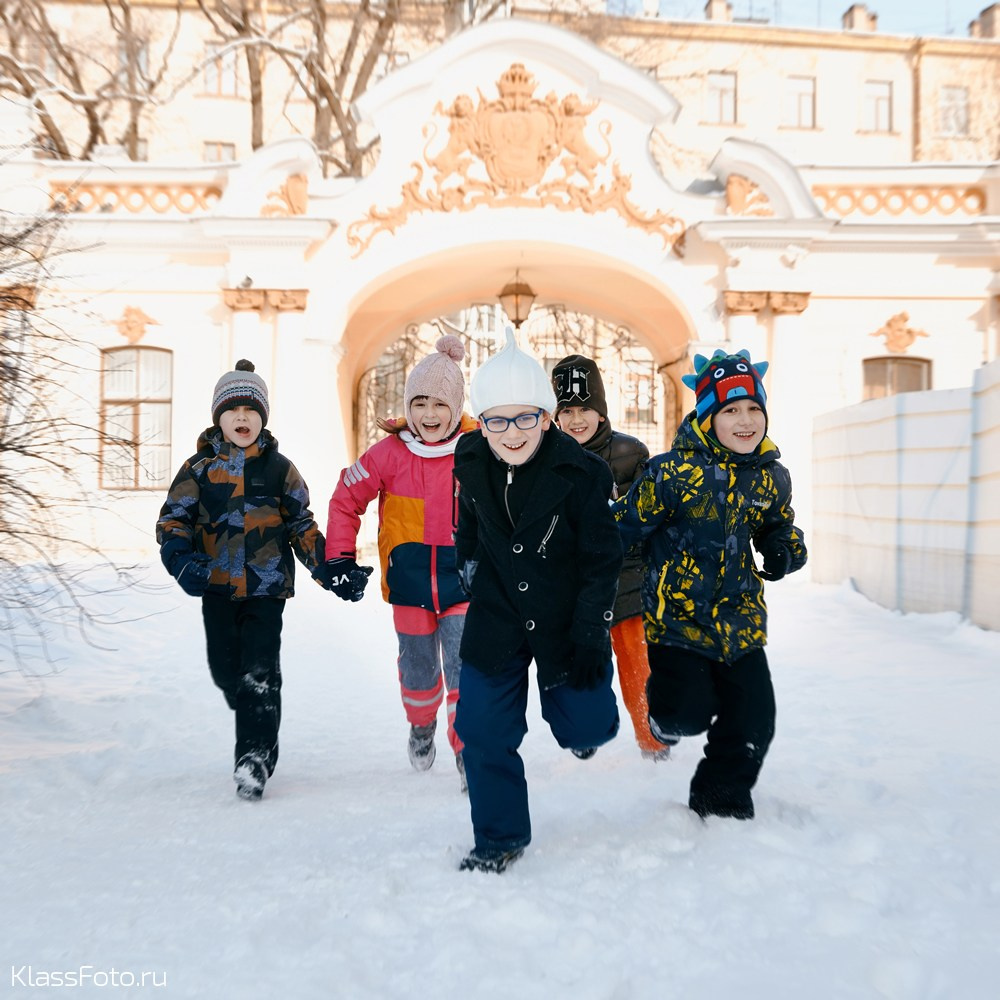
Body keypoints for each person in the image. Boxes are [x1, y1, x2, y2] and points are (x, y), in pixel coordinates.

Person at [453, 328, 622, 874]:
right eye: (496, 420)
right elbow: (471, 523)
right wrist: (470, 564)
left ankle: (581, 730)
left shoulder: (584, 473)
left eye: (525, 417)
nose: (511, 431)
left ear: (546, 418)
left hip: (564, 620)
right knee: (480, 730)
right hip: (497, 616)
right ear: (481, 422)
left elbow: (602, 559)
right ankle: (500, 839)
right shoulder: (471, 457)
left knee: (589, 726)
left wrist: (593, 632)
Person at [612, 349, 807, 821]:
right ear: (707, 418)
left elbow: (779, 526)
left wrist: (784, 549)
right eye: (730, 410)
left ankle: (720, 799)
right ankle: (662, 713)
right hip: (676, 621)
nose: (744, 421)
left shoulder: (770, 477)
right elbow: (621, 529)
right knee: (687, 714)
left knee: (755, 719)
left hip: (740, 621)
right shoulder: (671, 474)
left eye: (753, 409)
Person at [156, 359, 332, 801]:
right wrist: (179, 559)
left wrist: (329, 564)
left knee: (258, 671)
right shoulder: (197, 469)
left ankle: (254, 757)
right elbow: (174, 519)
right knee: (226, 671)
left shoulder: (279, 469)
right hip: (215, 587)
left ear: (262, 418)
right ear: (218, 417)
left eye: (251, 411)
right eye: (233, 411)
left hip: (266, 589)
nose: (242, 418)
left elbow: (301, 524)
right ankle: (258, 713)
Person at [325, 335, 476, 791]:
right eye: (421, 403)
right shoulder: (388, 453)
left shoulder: (476, 449)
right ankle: (421, 724)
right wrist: (338, 557)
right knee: (418, 670)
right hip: (408, 585)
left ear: (456, 407)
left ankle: (471, 750)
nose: (430, 415)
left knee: (464, 668)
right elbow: (346, 498)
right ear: (409, 405)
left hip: (463, 583)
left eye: (440, 405)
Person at [551, 354, 671, 762]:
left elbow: (649, 515)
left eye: (585, 408)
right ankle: (587, 725)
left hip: (627, 579)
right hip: (575, 586)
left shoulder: (629, 453)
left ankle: (652, 741)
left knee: (638, 662)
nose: (577, 419)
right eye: (567, 411)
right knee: (587, 659)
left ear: (600, 412)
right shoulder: (548, 456)